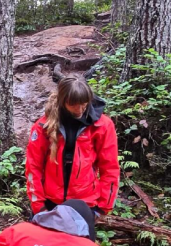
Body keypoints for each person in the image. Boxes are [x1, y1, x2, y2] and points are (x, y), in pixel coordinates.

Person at [25, 76, 120, 217]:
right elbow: (33, 167)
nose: (79, 109)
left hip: (85, 203)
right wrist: (39, 206)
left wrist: (102, 208)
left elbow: (110, 167)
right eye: (73, 104)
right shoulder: (43, 126)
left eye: (83, 104)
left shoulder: (102, 126)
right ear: (63, 101)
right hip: (49, 202)